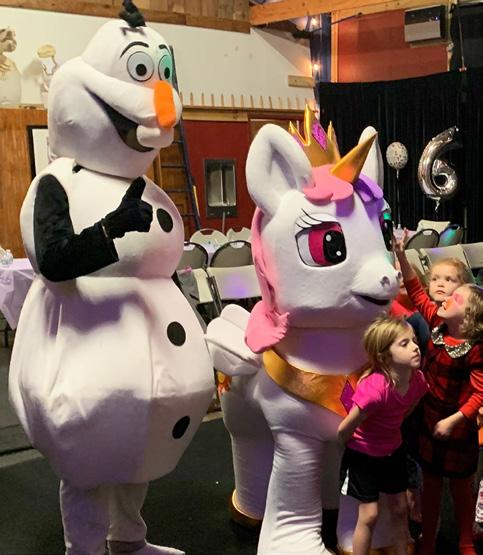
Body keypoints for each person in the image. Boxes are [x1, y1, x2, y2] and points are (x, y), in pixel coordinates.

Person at [394, 236, 483, 555]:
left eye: (454, 295)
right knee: (430, 489)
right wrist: (401, 254)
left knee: (461, 489)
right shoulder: (435, 323)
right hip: (430, 421)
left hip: (458, 429)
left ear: (468, 315)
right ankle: (428, 542)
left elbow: (479, 393)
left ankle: (465, 541)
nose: (442, 294)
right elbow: (416, 291)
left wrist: (454, 420)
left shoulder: (475, 348)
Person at [338, 316, 429, 555]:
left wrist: (391, 430)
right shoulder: (375, 389)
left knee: (400, 509)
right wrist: (351, 447)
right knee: (369, 514)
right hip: (364, 455)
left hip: (392, 450)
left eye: (414, 340)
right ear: (385, 356)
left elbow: (406, 410)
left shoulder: (418, 381)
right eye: (404, 344)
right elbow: (345, 429)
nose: (415, 347)